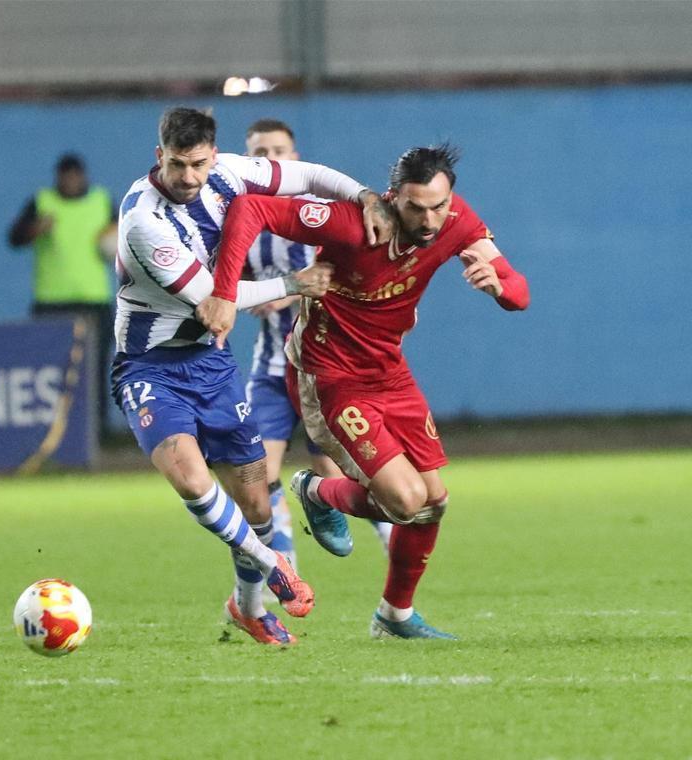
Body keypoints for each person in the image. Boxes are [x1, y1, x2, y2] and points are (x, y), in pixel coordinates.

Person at [199, 144, 530, 639]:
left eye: (438, 206)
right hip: (328, 375)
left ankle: (393, 617)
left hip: (390, 373)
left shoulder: (457, 220)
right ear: (393, 197)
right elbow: (252, 207)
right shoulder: (353, 224)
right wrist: (225, 291)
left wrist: (500, 288)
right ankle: (316, 490)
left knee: (433, 503)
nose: (429, 219)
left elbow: (520, 291)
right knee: (405, 500)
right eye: (416, 207)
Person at [111, 107, 392, 646]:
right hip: (151, 367)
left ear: (213, 156)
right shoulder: (143, 221)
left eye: (197, 164)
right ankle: (273, 565)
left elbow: (306, 175)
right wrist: (296, 282)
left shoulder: (230, 174)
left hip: (211, 365)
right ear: (158, 157)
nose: (188, 178)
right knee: (193, 480)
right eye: (176, 165)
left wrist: (364, 196)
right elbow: (212, 300)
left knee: (257, 501)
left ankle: (246, 607)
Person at [241, 119, 392, 568]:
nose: (269, 159)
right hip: (270, 367)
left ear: (295, 156)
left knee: (337, 473)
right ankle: (283, 558)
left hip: (322, 369)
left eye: (278, 150)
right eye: (259, 152)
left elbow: (341, 279)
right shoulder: (238, 216)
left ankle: (392, 537)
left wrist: (285, 290)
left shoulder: (320, 212)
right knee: (257, 475)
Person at [8, 153, 116, 431]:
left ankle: (97, 431)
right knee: (49, 370)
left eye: (74, 176)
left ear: (83, 177)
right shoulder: (43, 202)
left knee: (95, 370)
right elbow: (15, 237)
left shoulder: (102, 202)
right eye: (64, 177)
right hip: (52, 303)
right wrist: (36, 229)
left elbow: (122, 237)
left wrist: (114, 242)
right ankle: (51, 430)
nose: (69, 182)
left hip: (93, 301)